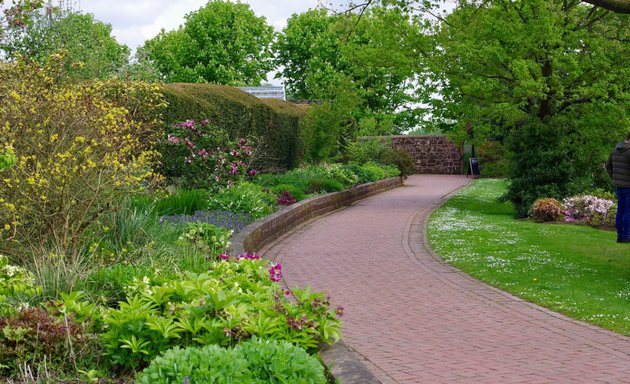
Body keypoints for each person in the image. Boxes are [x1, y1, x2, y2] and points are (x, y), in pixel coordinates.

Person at [606, 132, 630, 243]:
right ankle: (627, 236)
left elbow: (608, 166)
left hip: (619, 185)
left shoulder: (614, 150)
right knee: (628, 212)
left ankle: (620, 236)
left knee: (620, 211)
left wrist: (614, 178)